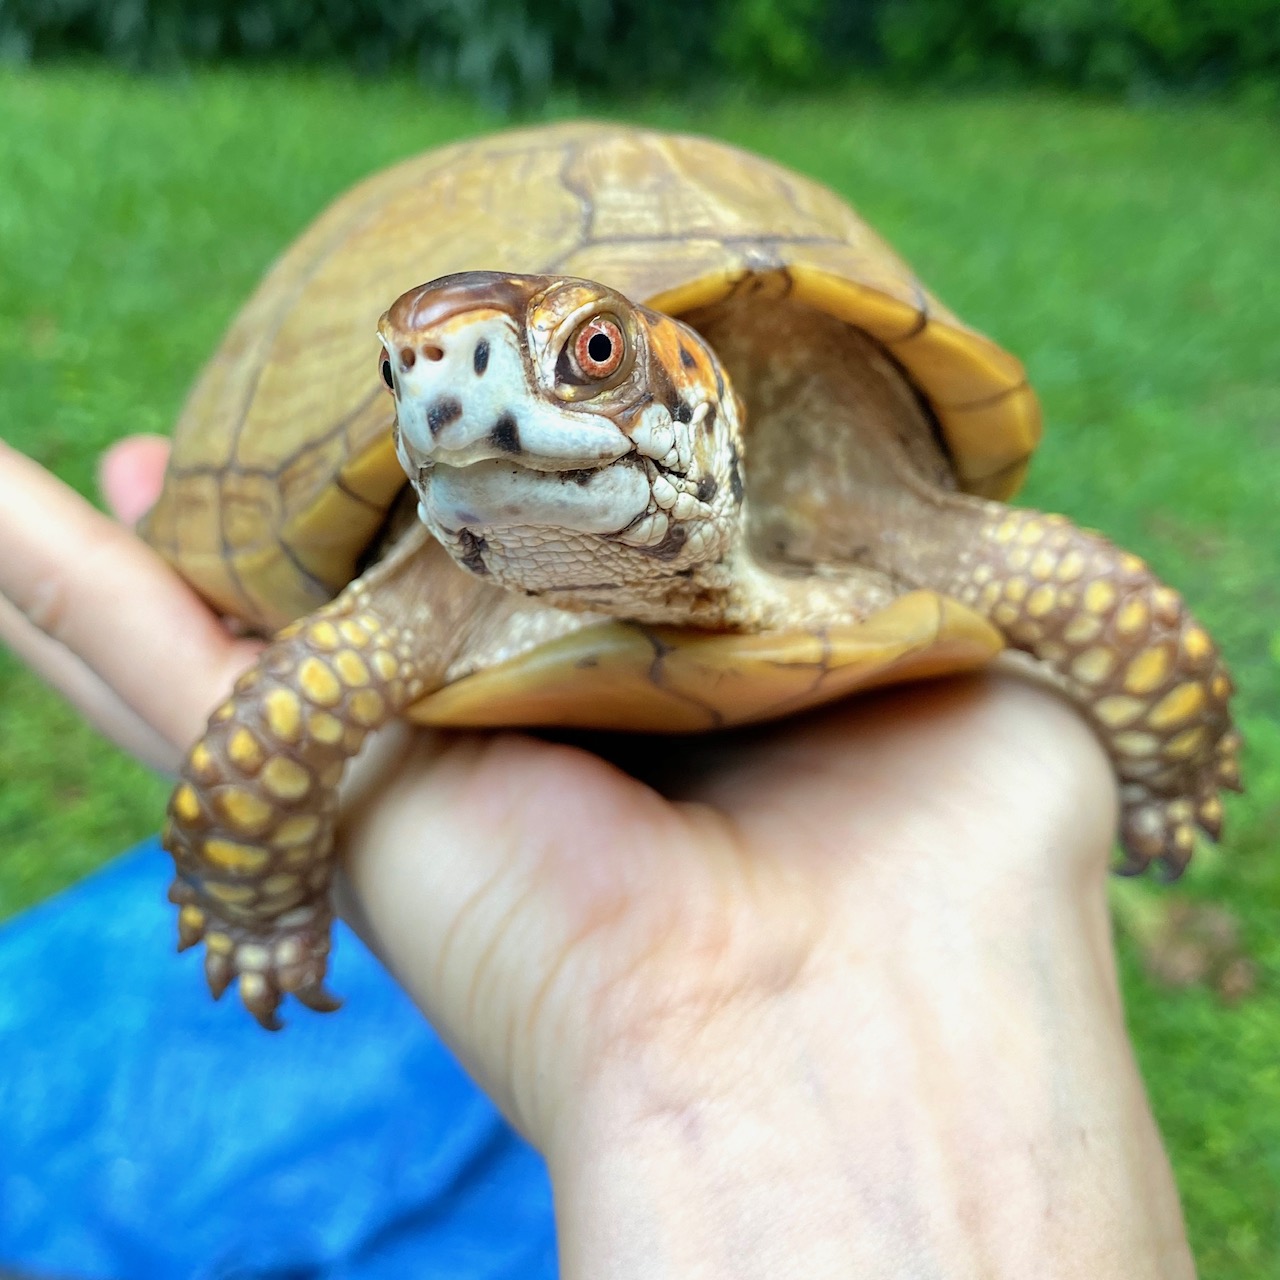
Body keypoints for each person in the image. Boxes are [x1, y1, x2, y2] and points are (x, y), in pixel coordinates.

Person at [0, 434, 1196, 1278]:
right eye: (413, 375)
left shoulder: (865, 488)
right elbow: (270, 722)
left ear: (706, 398)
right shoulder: (428, 590)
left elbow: (1091, 596)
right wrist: (254, 886)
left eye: (590, 363)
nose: (475, 398)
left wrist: (1161, 753)